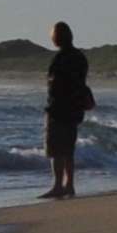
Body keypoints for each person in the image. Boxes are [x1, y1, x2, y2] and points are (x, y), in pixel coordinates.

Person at [43, 21, 94, 199]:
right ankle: (69, 184)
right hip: (75, 108)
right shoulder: (80, 57)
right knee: (68, 149)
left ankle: (58, 185)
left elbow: (55, 85)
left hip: (59, 109)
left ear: (57, 37)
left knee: (56, 150)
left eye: (53, 35)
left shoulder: (60, 58)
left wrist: (51, 104)